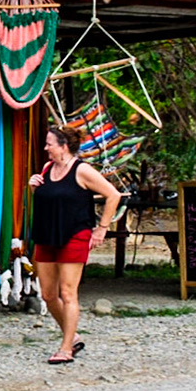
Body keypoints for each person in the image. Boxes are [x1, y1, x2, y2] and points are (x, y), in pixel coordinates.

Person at [27, 124, 123, 365]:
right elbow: (49, 200)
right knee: (48, 294)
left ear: (63, 146)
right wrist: (34, 188)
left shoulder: (82, 170)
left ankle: (66, 348)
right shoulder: (47, 168)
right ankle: (74, 336)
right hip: (46, 234)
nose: (46, 148)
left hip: (73, 234)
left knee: (68, 292)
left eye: (49, 143)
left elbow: (113, 195)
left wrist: (102, 228)